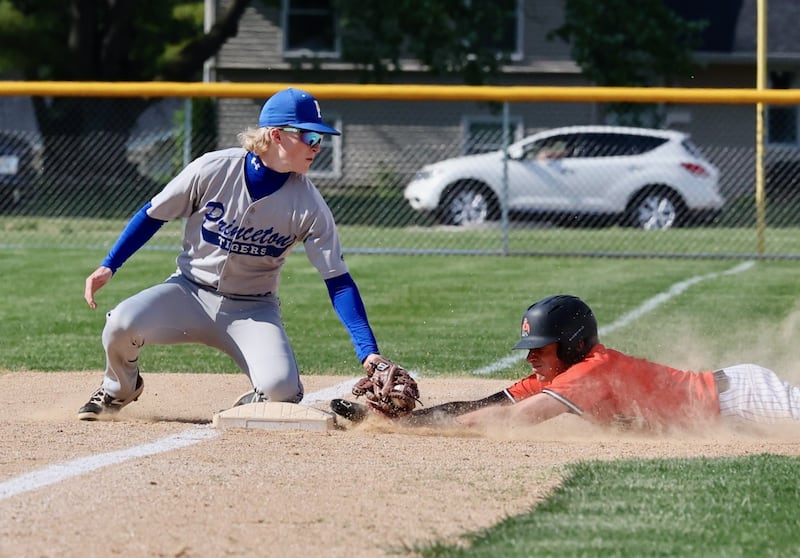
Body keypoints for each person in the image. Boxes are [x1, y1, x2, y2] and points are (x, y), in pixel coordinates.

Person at [79, 87, 395, 421]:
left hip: (252, 309)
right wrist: (109, 265)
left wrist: (368, 351)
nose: (318, 147)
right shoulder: (213, 169)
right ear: (277, 135)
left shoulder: (309, 204)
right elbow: (152, 213)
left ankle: (259, 398)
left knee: (282, 392)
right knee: (121, 323)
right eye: (310, 136)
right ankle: (119, 388)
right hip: (188, 292)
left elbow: (338, 281)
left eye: (320, 138)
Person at [331, 294, 800, 431]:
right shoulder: (556, 372)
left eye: (542, 346)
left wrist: (403, 429)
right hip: (728, 406)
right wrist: (405, 420)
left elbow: (510, 418)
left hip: (745, 398)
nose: (532, 356)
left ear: (573, 345)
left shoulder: (590, 372)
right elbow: (482, 403)